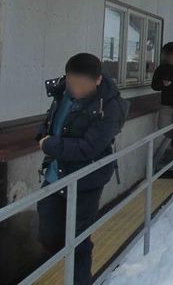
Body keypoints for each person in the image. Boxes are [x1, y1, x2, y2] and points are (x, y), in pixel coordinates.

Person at [36, 53, 122, 285]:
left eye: (81, 85)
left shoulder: (109, 106)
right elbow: (52, 120)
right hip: (55, 175)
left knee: (79, 241)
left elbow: (89, 148)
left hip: (87, 179)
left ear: (97, 81)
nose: (75, 89)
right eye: (71, 82)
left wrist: (49, 144)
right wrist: (42, 134)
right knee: (48, 233)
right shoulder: (63, 90)